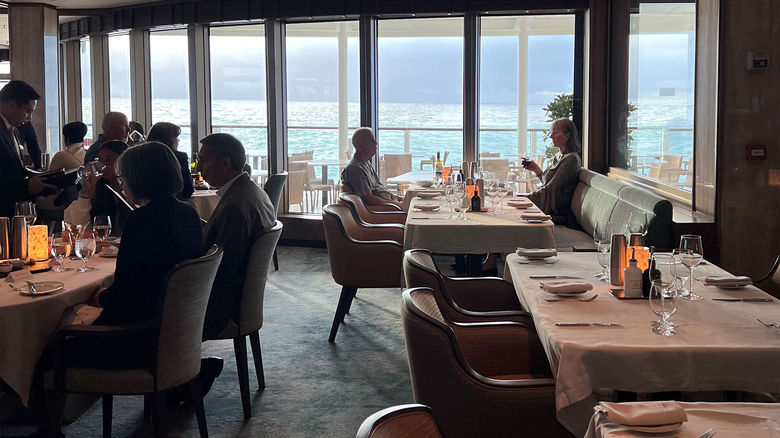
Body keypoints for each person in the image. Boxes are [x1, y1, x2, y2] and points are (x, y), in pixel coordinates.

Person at [38, 143, 205, 438]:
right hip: (176, 336)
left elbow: (125, 304)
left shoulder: (143, 221)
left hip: (137, 341)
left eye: (124, 178)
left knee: (48, 345)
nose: (122, 185)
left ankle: (49, 430)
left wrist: (100, 298)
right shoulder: (187, 213)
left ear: (139, 179)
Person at [196, 133, 275, 337]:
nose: (198, 168)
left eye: (203, 160)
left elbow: (223, 269)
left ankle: (178, 367)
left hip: (220, 306)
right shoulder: (254, 193)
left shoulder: (234, 207)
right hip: (241, 299)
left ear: (225, 163)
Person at [0, 80, 56, 218]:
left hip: (11, 209)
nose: (29, 118)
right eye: (27, 111)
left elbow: (14, 168)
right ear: (12, 105)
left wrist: (37, 178)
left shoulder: (13, 130)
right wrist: (26, 186)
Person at [64, 140, 131, 236]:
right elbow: (76, 227)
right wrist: (85, 191)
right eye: (100, 160)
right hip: (104, 247)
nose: (103, 165)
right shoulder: (99, 187)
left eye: (108, 160)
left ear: (123, 162)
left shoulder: (133, 189)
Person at [523, 118, 582, 226]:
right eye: (551, 133)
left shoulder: (571, 159)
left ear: (567, 136)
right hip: (549, 209)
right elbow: (548, 183)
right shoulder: (559, 156)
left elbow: (551, 188)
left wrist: (525, 198)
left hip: (557, 213)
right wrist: (536, 169)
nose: (551, 136)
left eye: (555, 133)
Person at [340, 127, 404, 208]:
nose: (376, 143)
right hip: (384, 209)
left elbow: (379, 188)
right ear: (360, 147)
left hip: (391, 203)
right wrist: (396, 204)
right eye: (372, 141)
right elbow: (369, 199)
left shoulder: (366, 163)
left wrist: (397, 198)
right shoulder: (356, 169)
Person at [147, 121, 194, 199]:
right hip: (174, 205)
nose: (178, 140)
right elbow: (188, 190)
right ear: (168, 139)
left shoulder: (141, 158)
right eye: (176, 137)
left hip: (144, 207)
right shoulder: (180, 157)